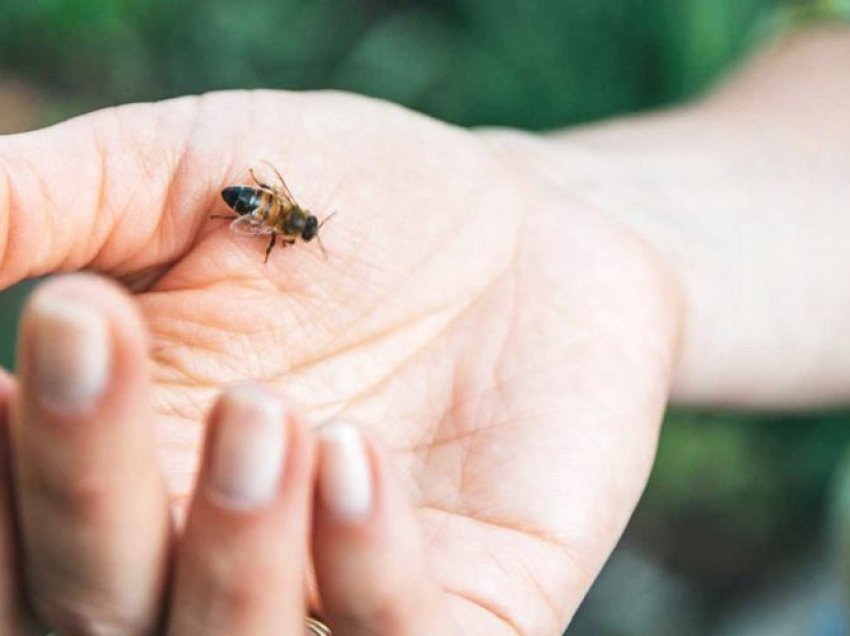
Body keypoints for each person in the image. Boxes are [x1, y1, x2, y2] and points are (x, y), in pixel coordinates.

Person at [0, 25, 847, 636]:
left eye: (285, 227)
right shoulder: (273, 214)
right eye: (289, 227)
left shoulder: (277, 218)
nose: (285, 230)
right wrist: (571, 214)